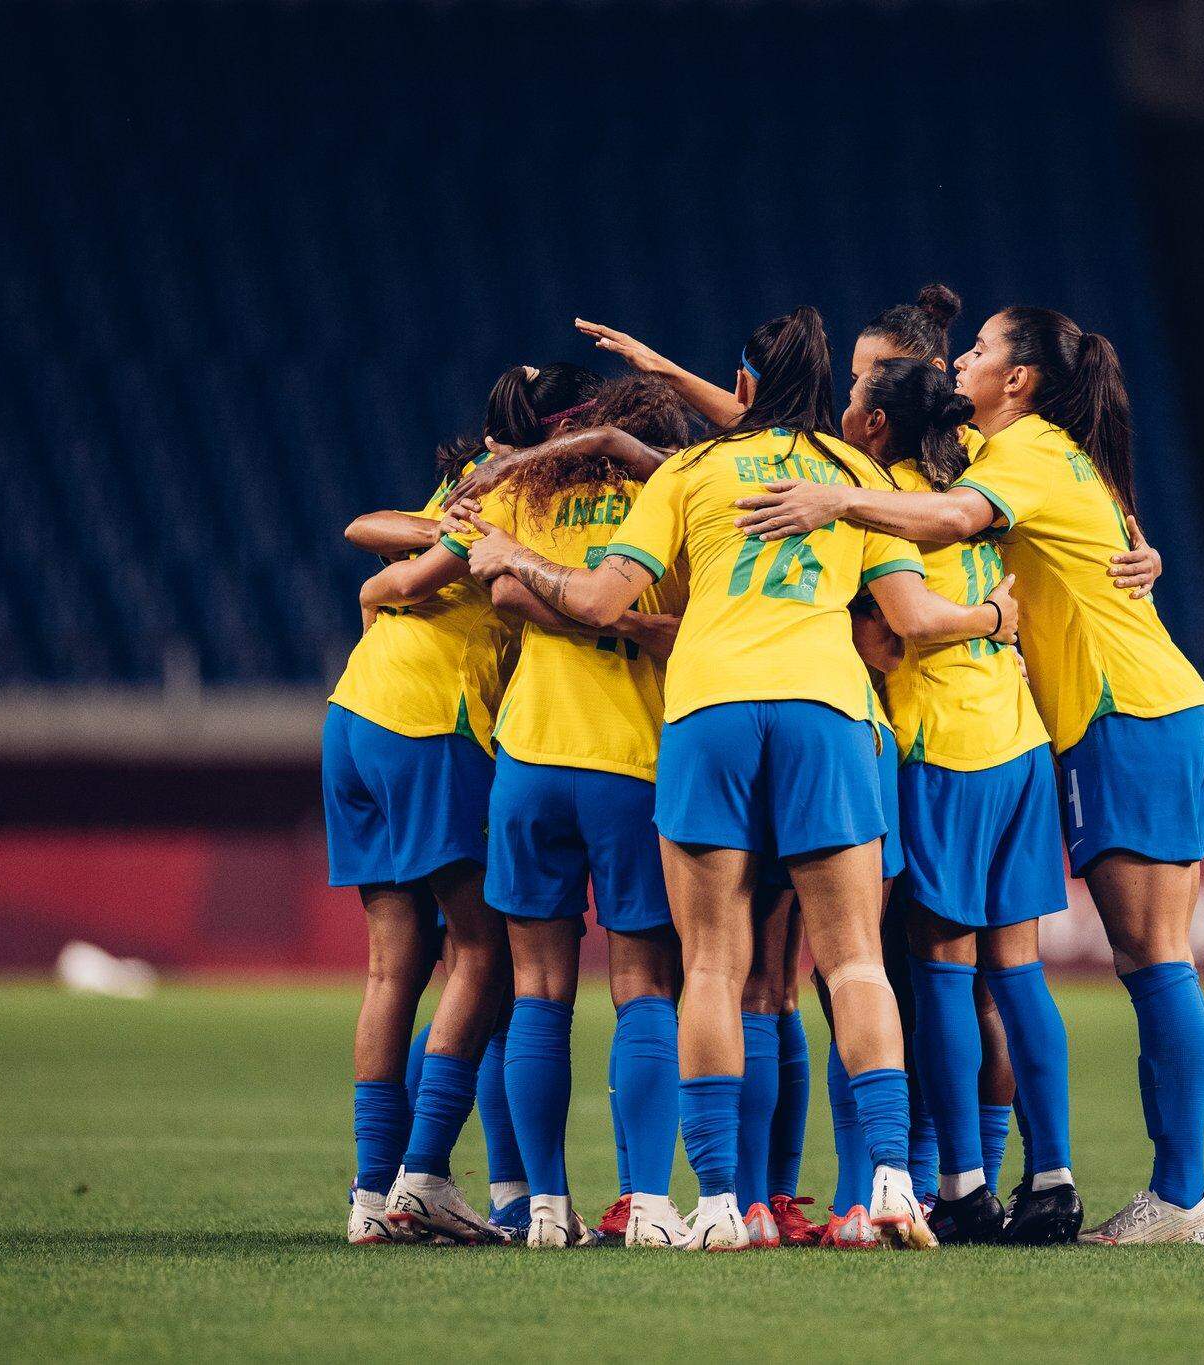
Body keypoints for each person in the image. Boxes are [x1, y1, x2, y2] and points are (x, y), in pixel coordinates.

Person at [458, 307, 1017, 1251]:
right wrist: (996, 615)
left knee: (712, 963)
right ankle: (886, 1180)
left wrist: (512, 552)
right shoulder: (857, 476)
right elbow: (902, 618)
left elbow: (599, 599)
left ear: (745, 387)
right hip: (826, 710)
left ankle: (720, 1202)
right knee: (853, 962)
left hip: (711, 709)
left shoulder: (690, 471)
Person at [731, 306, 1204, 1246]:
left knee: (1145, 961)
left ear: (1021, 379)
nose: (964, 359)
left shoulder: (1010, 462)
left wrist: (836, 501)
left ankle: (1166, 1193)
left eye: (985, 349)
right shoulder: (1023, 455)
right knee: (1061, 967)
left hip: (1107, 714)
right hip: (1068, 727)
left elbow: (941, 537)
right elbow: (1095, 537)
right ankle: (1070, 1178)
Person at [367, 377, 696, 1249]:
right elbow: (687, 623)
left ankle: (545, 1206)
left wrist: (543, 584)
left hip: (529, 758)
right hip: (630, 762)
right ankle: (651, 1206)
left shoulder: (528, 493)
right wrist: (618, 621)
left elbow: (500, 588)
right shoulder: (674, 496)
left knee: (541, 993)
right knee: (642, 987)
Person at [331, 362, 599, 1245]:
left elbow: (370, 533)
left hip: (354, 714)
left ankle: (373, 1196)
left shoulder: (465, 484)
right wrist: (391, 581)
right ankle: (425, 1175)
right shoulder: (521, 493)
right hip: (430, 719)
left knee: (392, 967)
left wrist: (379, 581)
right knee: (485, 955)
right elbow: (414, 572)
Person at [836, 355, 1082, 1244]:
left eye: (860, 399)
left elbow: (905, 621)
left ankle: (966, 1185)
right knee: (1017, 973)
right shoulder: (980, 462)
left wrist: (969, 618)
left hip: (946, 750)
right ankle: (1051, 1178)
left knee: (942, 968)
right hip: (1021, 742)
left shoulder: (885, 497)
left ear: (879, 425)